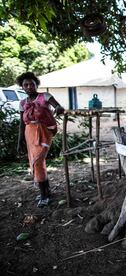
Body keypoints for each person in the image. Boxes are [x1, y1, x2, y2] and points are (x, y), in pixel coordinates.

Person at [16, 72, 64, 208]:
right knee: (36, 162)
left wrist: (59, 108)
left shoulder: (45, 97)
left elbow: (57, 106)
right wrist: (20, 141)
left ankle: (44, 196)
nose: (29, 87)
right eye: (26, 85)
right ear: (22, 87)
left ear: (36, 85)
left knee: (37, 162)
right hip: (29, 133)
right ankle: (46, 191)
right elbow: (21, 123)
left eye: (32, 84)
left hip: (44, 132)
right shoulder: (22, 103)